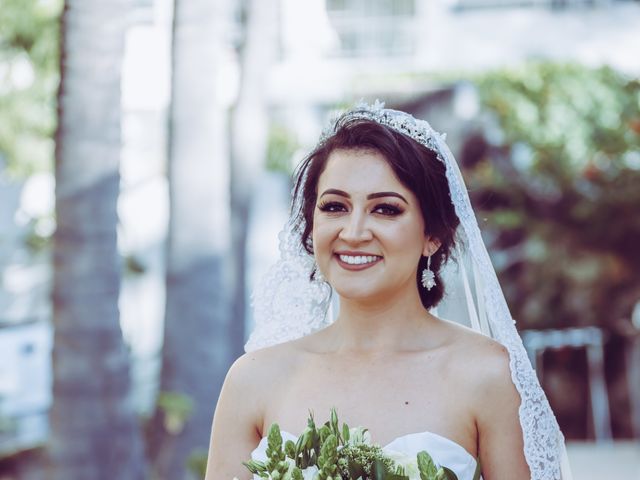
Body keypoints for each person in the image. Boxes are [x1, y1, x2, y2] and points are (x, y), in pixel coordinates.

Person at [204, 102, 570, 480]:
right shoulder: (254, 380)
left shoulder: (487, 375)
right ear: (311, 226)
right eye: (334, 206)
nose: (354, 232)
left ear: (433, 235)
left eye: (386, 210)